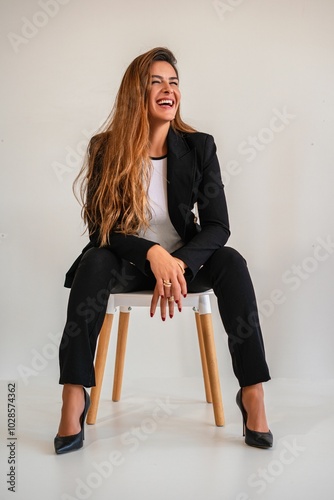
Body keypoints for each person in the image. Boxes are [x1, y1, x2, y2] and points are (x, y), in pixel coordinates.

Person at [54, 47, 273, 455]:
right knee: (94, 260)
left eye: (173, 82)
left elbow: (217, 225)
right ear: (136, 92)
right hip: (126, 264)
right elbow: (102, 227)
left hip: (184, 265)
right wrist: (152, 254)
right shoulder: (105, 148)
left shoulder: (199, 146)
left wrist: (179, 263)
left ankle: (253, 393)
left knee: (232, 262)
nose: (167, 89)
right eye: (156, 81)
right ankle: (73, 394)